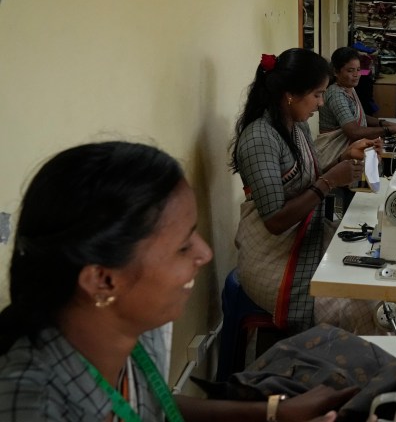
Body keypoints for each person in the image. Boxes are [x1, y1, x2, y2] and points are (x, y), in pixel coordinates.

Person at [0, 141, 356, 421]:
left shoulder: (127, 330)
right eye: (183, 246)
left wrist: (273, 413)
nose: (205, 254)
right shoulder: (32, 406)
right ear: (103, 281)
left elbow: (147, 406)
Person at [231, 49, 375, 330]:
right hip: (274, 262)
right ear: (290, 94)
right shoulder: (260, 138)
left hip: (304, 240)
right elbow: (275, 221)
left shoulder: (296, 128)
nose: (321, 103)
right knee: (372, 311)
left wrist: (345, 158)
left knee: (374, 278)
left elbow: (311, 179)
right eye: (317, 94)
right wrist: (330, 180)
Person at [316, 47, 396, 170]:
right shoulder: (336, 94)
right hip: (336, 156)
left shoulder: (349, 88)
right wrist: (389, 129)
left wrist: (385, 123)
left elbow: (358, 116)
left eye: (358, 70)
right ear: (336, 72)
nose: (356, 75)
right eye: (350, 70)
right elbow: (354, 131)